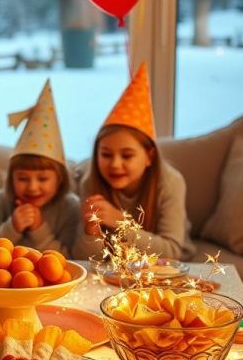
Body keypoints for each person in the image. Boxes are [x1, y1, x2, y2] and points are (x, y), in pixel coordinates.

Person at [72, 63, 195, 261]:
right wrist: (91, 231)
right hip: (116, 269)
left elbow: (172, 252)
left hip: (165, 269)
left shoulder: (171, 182)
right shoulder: (90, 181)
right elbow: (82, 258)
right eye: (106, 154)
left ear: (149, 156)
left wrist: (122, 223)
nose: (115, 164)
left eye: (127, 155)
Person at [0, 79, 80, 255]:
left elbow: (71, 260)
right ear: (11, 178)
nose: (32, 187)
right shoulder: (1, 200)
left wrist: (39, 229)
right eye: (22, 178)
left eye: (43, 178)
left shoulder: (69, 207)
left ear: (59, 179)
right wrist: (12, 227)